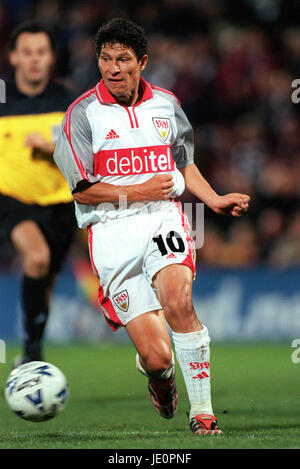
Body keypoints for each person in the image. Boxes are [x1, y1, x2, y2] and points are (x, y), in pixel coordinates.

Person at [54, 18, 250, 435]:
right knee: (158, 358)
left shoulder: (166, 104)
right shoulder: (82, 115)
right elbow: (82, 192)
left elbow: (183, 161)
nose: (113, 68)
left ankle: (202, 414)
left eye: (123, 59)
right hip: (111, 230)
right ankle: (161, 383)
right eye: (105, 59)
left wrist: (213, 199)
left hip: (163, 216)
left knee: (178, 302)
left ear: (142, 62)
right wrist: (140, 189)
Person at [0, 21, 76, 365]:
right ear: (13, 57)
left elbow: (86, 152)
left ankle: (32, 349)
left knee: (45, 281)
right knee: (36, 258)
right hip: (12, 200)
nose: (34, 59)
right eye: (27, 52)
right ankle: (31, 355)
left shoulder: (66, 100)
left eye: (41, 52)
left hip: (60, 203)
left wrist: (52, 147)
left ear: (50, 58)